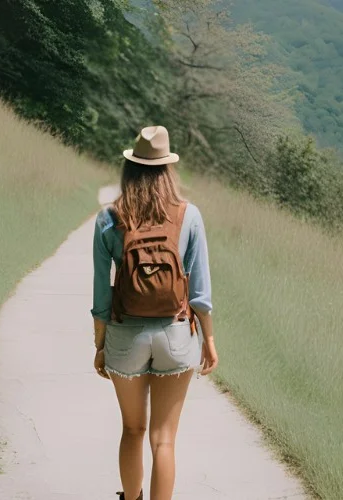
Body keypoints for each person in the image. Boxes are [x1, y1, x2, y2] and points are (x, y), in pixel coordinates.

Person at [91, 125, 219, 500]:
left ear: (130, 169)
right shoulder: (188, 215)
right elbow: (200, 294)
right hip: (176, 334)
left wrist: (101, 345)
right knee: (164, 440)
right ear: (167, 171)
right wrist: (208, 341)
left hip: (126, 335)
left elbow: (101, 298)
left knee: (133, 430)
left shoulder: (109, 219)